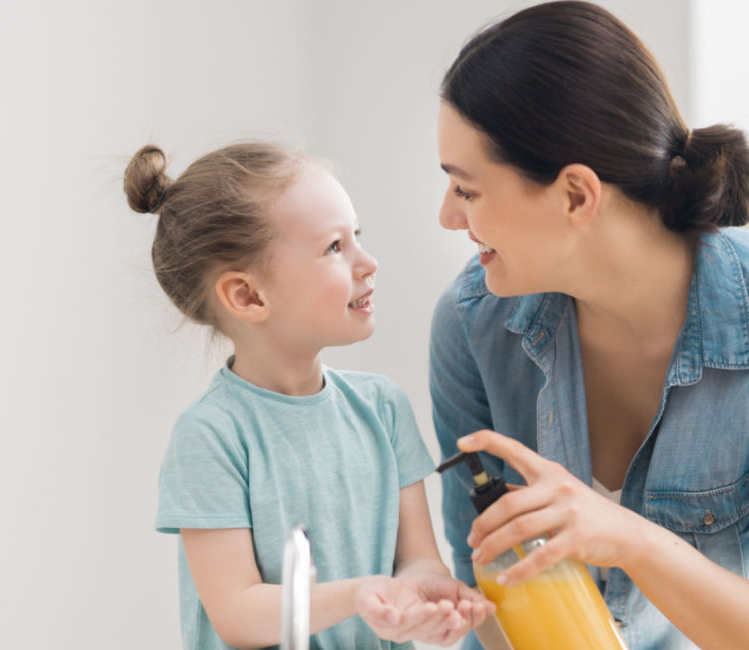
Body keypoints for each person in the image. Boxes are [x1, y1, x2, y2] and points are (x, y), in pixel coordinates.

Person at [428, 2, 749, 649]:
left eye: (466, 190)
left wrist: (632, 542)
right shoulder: (471, 325)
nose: (447, 216)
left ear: (576, 196)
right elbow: (485, 606)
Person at [127, 141, 490, 648]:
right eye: (334, 247)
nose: (368, 263)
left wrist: (414, 597)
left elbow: (416, 560)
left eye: (356, 237)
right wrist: (363, 593)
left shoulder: (382, 409)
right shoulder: (211, 437)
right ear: (248, 296)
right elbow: (237, 614)